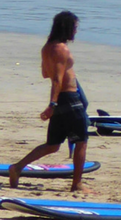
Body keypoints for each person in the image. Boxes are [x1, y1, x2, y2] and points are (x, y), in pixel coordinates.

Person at [8, 10, 89, 192]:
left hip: (61, 100)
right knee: (81, 141)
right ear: (67, 28)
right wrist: (51, 105)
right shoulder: (61, 49)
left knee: (52, 145)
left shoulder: (47, 48)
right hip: (69, 99)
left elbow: (46, 73)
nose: (75, 31)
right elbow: (57, 80)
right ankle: (77, 184)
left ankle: (17, 167)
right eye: (74, 28)